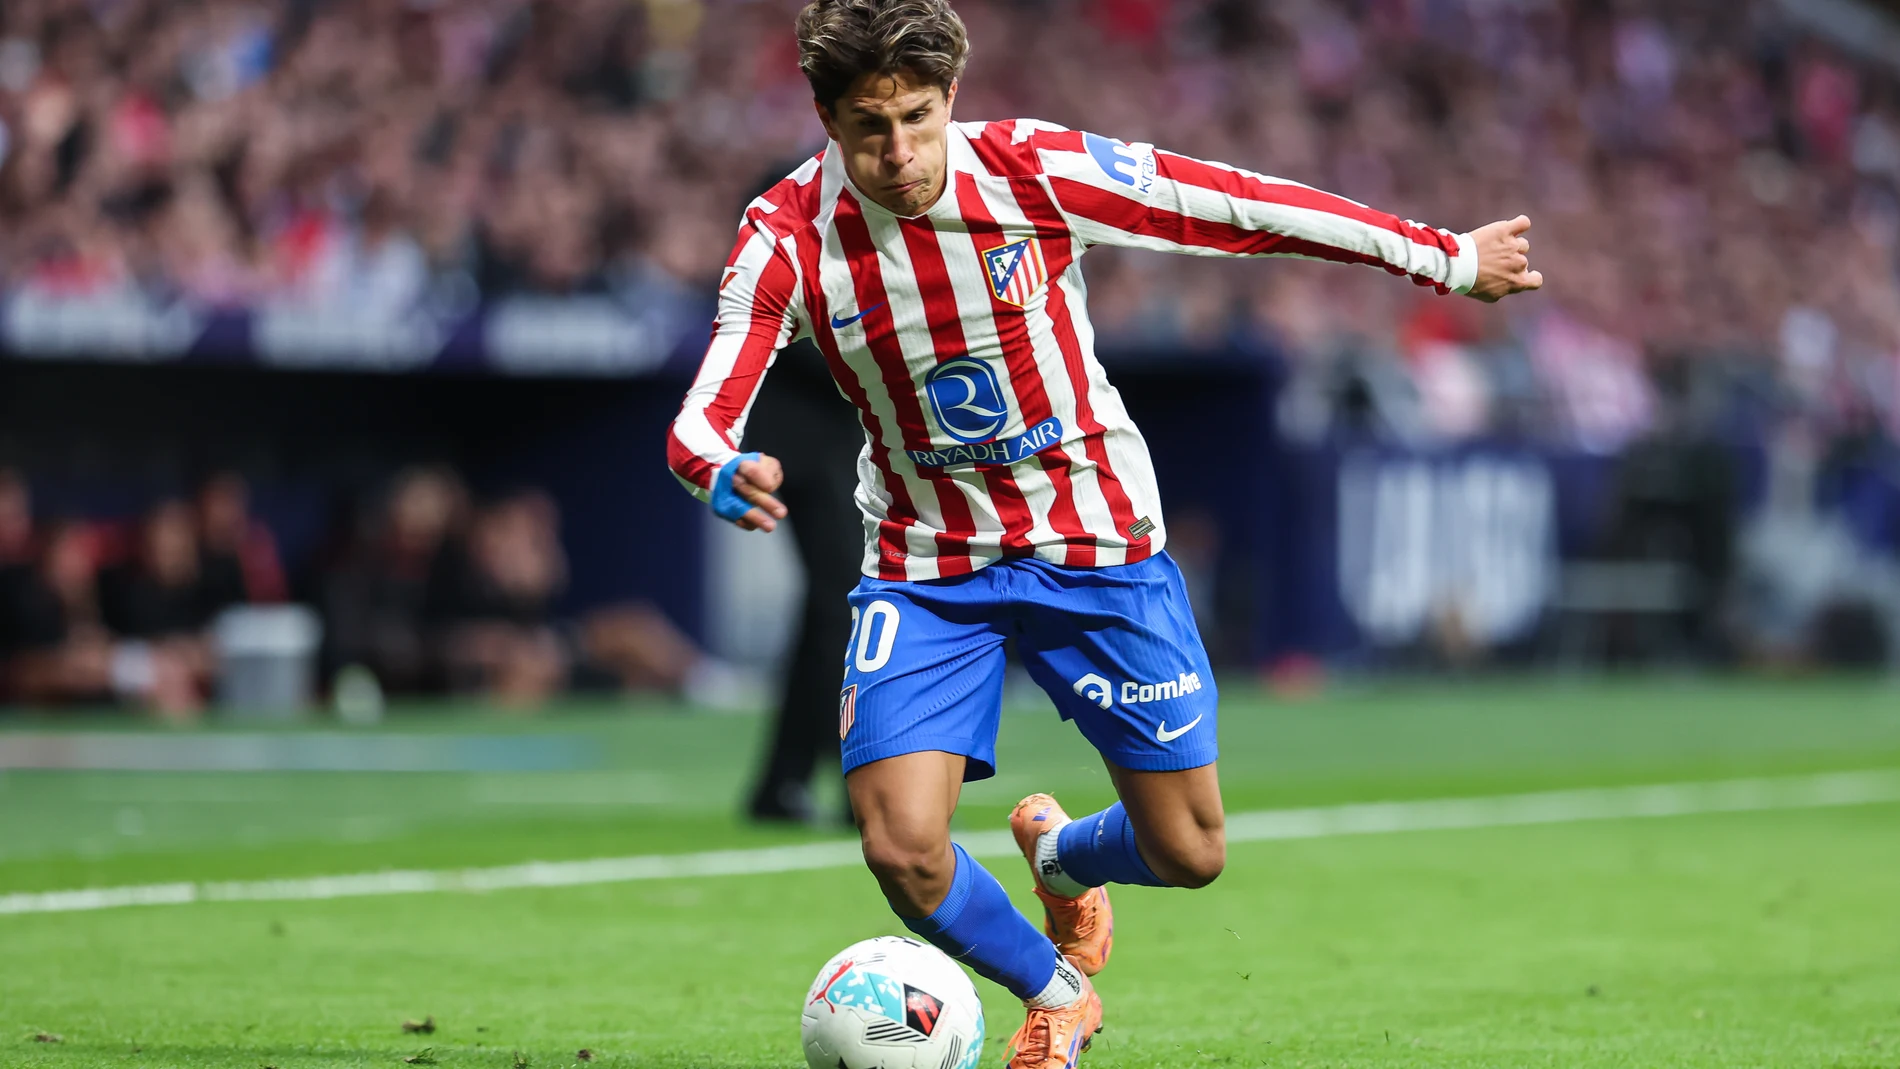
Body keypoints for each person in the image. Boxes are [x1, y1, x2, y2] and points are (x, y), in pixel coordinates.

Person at [664, 2, 1542, 1065]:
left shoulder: (1034, 171)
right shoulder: (785, 237)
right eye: (867, 126)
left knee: (1191, 849)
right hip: (927, 560)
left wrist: (1443, 257)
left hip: (1093, 541)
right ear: (824, 117)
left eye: (917, 118)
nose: (897, 153)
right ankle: (1056, 992)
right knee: (901, 844)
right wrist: (715, 466)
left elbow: (1235, 205)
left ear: (951, 101)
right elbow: (705, 407)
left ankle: (1065, 858)